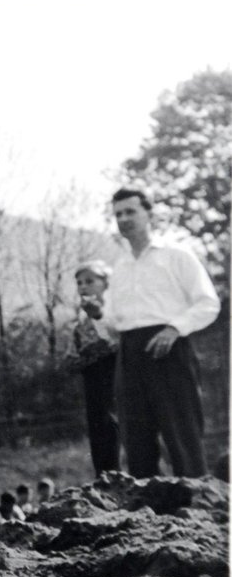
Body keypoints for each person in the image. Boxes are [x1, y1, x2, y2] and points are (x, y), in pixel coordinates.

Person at [84, 189, 220, 478]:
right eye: (118, 214)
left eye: (130, 211)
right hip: (130, 356)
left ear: (149, 214)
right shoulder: (120, 269)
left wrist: (174, 329)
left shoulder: (176, 256)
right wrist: (97, 315)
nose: (123, 219)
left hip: (169, 349)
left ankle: (197, 509)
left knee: (182, 436)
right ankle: (150, 514)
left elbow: (208, 302)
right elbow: (113, 327)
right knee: (136, 440)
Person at [65, 260, 121, 476]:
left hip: (117, 375)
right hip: (93, 380)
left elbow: (116, 340)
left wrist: (98, 316)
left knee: (116, 424)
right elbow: (73, 354)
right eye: (79, 283)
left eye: (90, 281)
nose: (83, 287)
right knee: (98, 427)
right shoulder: (80, 322)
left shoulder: (115, 311)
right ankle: (106, 477)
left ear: (105, 284)